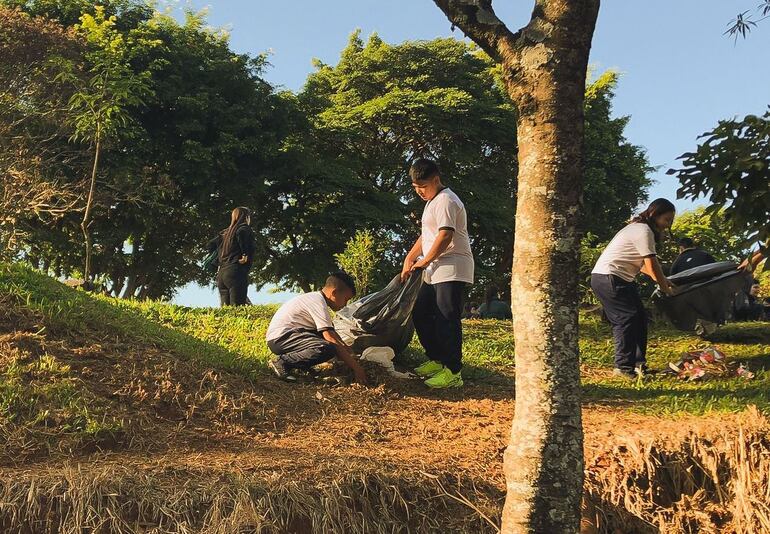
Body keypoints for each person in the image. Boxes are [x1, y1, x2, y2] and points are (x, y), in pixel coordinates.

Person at [401, 158, 474, 389]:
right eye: (416, 188)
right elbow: (427, 236)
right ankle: (436, 358)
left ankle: (453, 371)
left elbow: (445, 236)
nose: (420, 192)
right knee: (421, 312)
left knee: (446, 318)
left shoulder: (446, 200)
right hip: (434, 267)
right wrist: (410, 257)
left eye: (423, 186)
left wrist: (425, 261)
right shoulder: (431, 202)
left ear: (436, 179)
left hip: (452, 266)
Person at [590, 198, 677, 379]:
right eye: (666, 220)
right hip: (609, 277)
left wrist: (663, 280)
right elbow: (652, 264)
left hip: (618, 278)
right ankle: (622, 368)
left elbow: (643, 265)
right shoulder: (643, 230)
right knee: (626, 319)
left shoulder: (638, 228)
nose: (667, 225)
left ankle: (638, 365)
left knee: (639, 318)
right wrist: (665, 288)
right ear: (654, 214)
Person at [266, 271, 368, 385]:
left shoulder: (317, 299)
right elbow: (331, 339)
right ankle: (282, 362)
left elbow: (334, 335)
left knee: (327, 341)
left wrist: (351, 353)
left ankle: (301, 367)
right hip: (281, 338)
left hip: (288, 336)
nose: (345, 304)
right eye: (345, 299)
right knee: (326, 348)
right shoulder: (317, 301)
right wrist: (357, 369)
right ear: (334, 292)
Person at [207, 207, 256, 306]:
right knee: (237, 307)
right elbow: (241, 233)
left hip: (221, 274)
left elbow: (210, 245)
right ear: (246, 217)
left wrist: (220, 256)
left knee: (225, 310)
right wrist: (245, 254)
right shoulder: (244, 228)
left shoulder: (225, 233)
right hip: (236, 271)